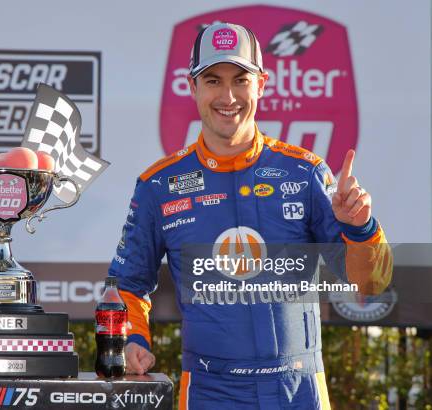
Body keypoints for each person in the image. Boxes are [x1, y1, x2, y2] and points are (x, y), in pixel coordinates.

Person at [108, 22, 392, 409]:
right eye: (212, 80)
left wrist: (361, 229)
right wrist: (132, 341)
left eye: (240, 80)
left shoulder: (306, 173)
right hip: (210, 389)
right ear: (192, 88)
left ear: (261, 84)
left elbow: (370, 284)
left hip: (300, 388)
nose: (228, 96)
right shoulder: (159, 184)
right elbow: (125, 283)